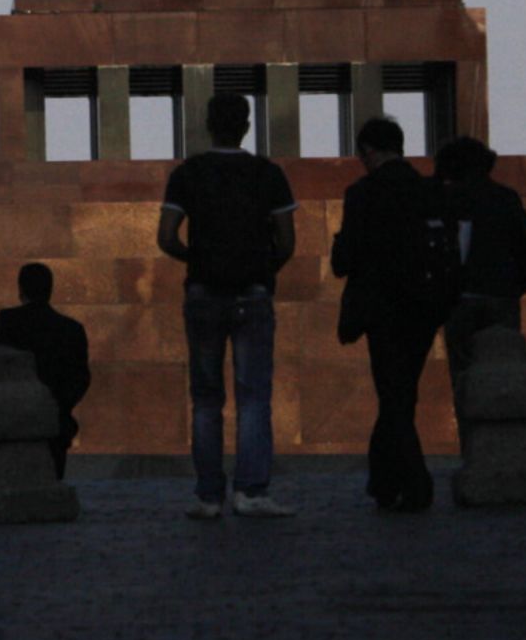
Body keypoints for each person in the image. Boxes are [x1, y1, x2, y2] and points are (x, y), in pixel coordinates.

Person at [160, 87, 298, 520]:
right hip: (252, 293)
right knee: (253, 396)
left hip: (204, 292)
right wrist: (262, 266)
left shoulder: (189, 173)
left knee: (205, 399)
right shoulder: (269, 174)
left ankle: (208, 495)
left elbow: (166, 237)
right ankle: (251, 491)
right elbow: (288, 240)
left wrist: (198, 259)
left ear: (207, 124)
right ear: (246, 125)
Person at [331, 117, 448, 512]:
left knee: (393, 395)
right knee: (401, 394)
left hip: (381, 309)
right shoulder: (427, 191)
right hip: (425, 307)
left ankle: (415, 484)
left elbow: (343, 260)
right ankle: (384, 481)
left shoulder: (362, 194)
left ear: (367, 150)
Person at [435, 136, 526, 420]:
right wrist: (511, 289)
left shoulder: (447, 200)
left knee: (465, 378)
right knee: (503, 374)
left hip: (461, 301)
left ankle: (473, 446)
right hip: (501, 300)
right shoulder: (505, 199)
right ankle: (507, 438)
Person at [0, 264, 92, 481]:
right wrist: (60, 404)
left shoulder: (9, 322)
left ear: (21, 290)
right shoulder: (71, 329)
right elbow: (81, 377)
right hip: (55, 419)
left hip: (15, 419)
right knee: (51, 481)